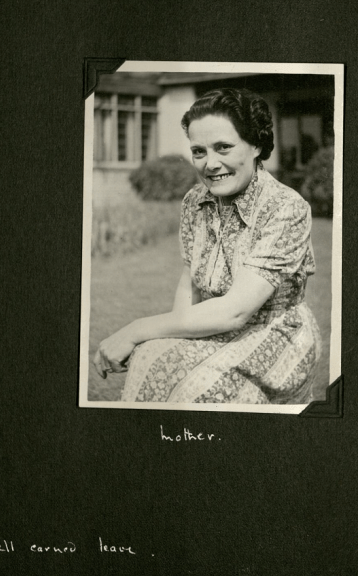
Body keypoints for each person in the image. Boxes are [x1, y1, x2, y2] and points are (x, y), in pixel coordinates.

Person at [93, 88, 322, 404]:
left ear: (255, 145)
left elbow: (235, 311)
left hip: (274, 338)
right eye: (199, 151)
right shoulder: (195, 200)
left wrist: (134, 329)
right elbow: (190, 280)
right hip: (217, 327)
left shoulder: (285, 208)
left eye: (224, 148)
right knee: (152, 357)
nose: (210, 164)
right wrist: (169, 337)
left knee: (197, 389)